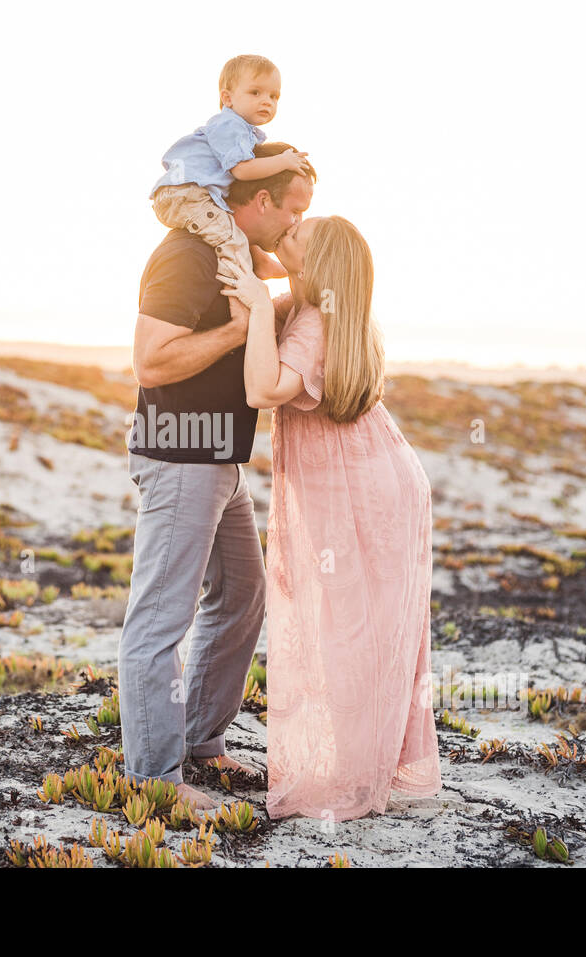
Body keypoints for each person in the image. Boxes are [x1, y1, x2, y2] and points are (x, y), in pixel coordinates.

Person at [219, 215, 443, 821]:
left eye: (299, 233)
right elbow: (263, 263)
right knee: (362, 627)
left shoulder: (313, 319)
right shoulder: (319, 307)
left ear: (319, 266)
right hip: (379, 476)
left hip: (363, 487)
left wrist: (262, 310)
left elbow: (264, 389)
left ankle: (355, 774)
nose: (287, 229)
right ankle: (369, 763)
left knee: (351, 630)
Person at [122, 143, 316, 811]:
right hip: (181, 458)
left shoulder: (234, 256)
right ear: (260, 202)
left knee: (241, 596)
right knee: (158, 620)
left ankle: (200, 743)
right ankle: (154, 779)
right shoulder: (187, 253)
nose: (294, 228)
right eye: (293, 214)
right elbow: (152, 361)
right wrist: (239, 332)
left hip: (218, 461)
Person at [150, 54, 310, 282]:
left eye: (274, 96)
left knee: (231, 228)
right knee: (230, 240)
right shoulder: (229, 125)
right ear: (227, 98)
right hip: (186, 194)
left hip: (192, 194)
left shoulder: (241, 131)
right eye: (256, 92)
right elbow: (242, 170)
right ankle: (243, 301)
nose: (267, 101)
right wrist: (284, 161)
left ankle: (260, 261)